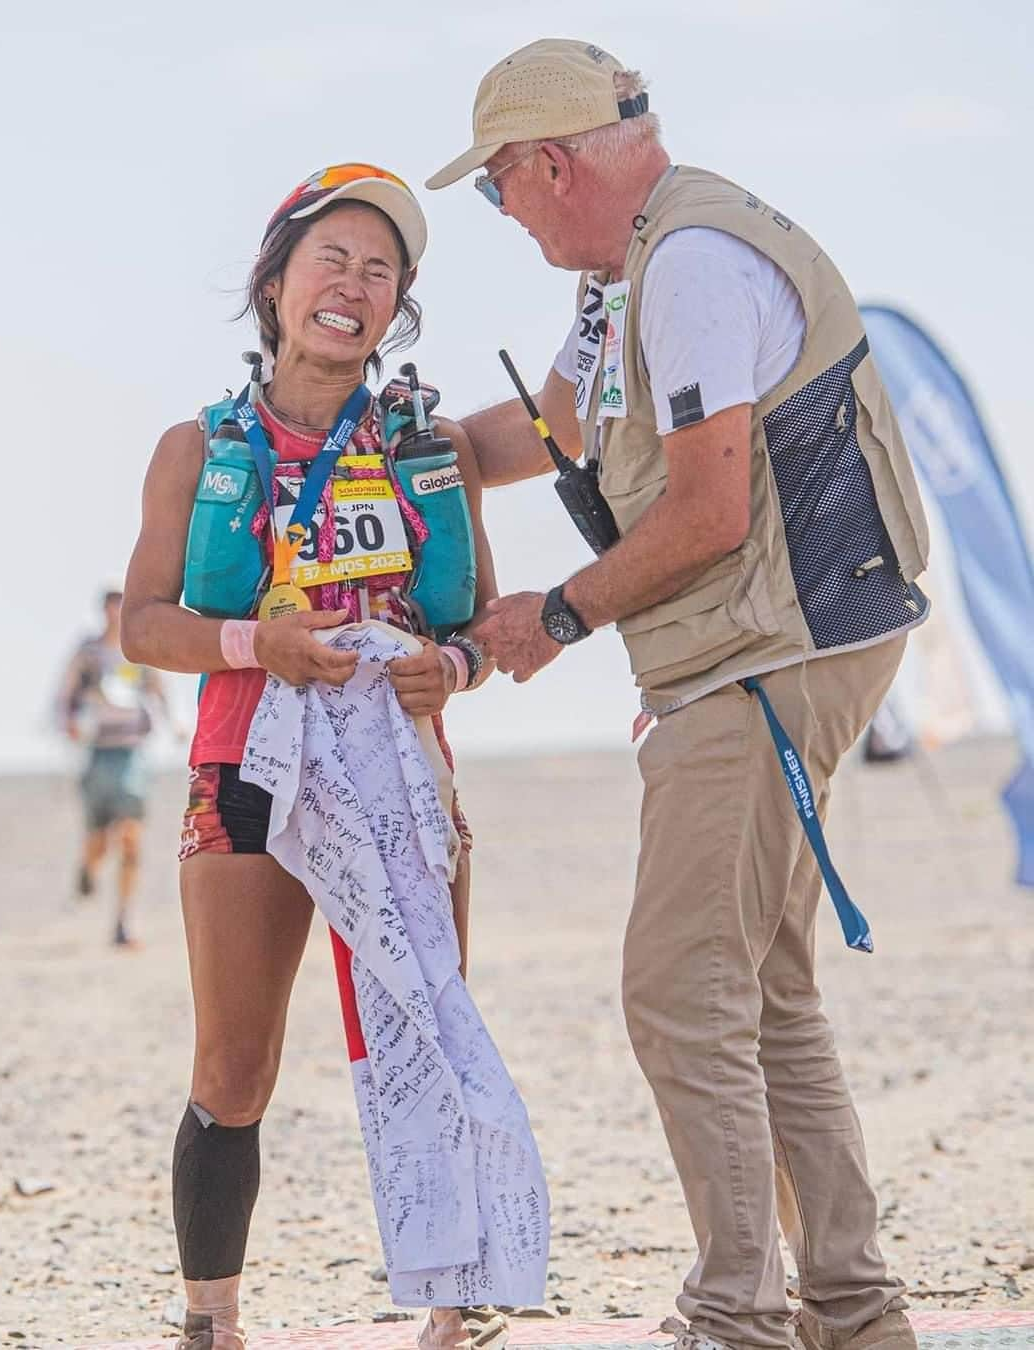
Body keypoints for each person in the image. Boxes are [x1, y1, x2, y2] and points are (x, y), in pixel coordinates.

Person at [427, 39, 931, 1350]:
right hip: (764, 647)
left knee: (677, 985)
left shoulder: (692, 268)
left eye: (495, 189)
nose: (504, 214)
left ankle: (738, 1313)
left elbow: (707, 513)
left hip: (767, 651)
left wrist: (554, 615)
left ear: (546, 164)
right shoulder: (628, 273)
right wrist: (385, 444)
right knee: (761, 987)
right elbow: (540, 434)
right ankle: (853, 1310)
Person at [121, 164, 508, 1350]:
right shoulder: (200, 445)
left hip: (402, 779)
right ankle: (212, 1321)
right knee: (235, 1066)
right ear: (277, 281)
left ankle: (456, 1311)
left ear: (398, 309)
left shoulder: (429, 446)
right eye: (331, 259)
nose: (354, 285)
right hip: (245, 771)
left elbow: (479, 620)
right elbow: (142, 624)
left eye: (381, 271)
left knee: (425, 1034)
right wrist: (256, 642)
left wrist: (460, 669)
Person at [57, 586, 171, 948]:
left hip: (132, 752)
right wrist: (69, 723)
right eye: (111, 606)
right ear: (103, 610)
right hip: (98, 752)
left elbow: (159, 690)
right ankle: (88, 869)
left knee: (131, 839)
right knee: (99, 840)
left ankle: (123, 921)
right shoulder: (88, 653)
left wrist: (176, 724)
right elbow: (64, 695)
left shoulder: (139, 651)